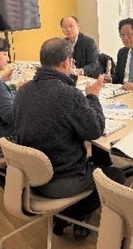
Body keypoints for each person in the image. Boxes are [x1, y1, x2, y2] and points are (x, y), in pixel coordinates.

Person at [13, 38, 124, 238]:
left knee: (96, 161)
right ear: (66, 62)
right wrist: (92, 97)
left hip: (31, 176)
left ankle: (74, 212)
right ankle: (72, 213)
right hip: (60, 180)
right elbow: (95, 130)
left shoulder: (23, 91)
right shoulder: (68, 95)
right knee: (116, 176)